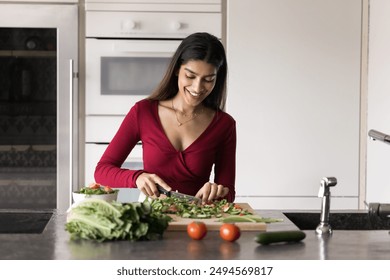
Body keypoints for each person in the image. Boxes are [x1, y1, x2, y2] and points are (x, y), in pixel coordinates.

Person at [94, 32, 236, 203]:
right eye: (190, 76)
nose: (197, 88)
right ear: (177, 69)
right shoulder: (143, 112)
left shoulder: (224, 125)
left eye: (208, 79)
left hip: (198, 221)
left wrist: (217, 190)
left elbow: (228, 195)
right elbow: (102, 171)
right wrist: (137, 177)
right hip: (152, 217)